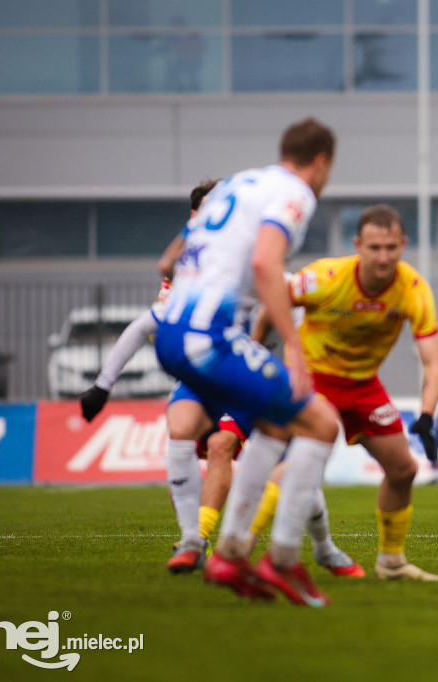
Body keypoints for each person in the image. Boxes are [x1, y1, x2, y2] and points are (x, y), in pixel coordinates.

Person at [155, 116, 341, 607]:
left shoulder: (238, 183)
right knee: (322, 423)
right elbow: (264, 264)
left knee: (276, 425)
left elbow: (167, 260)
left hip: (171, 332)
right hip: (207, 337)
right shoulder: (296, 193)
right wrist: (292, 345)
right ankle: (281, 559)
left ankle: (230, 553)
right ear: (321, 162)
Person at [78, 180, 248, 572]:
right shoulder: (185, 272)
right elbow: (145, 325)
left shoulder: (247, 254)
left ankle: (318, 546)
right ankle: (193, 539)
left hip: (240, 376)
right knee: (180, 434)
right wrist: (102, 386)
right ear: (194, 215)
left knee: (231, 446)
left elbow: (286, 298)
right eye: (207, 208)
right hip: (198, 377)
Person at [271, 203, 438, 581]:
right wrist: (278, 355)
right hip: (315, 379)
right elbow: (275, 301)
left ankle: (391, 562)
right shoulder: (325, 277)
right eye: (374, 248)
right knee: (300, 467)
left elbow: (432, 363)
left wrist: (427, 414)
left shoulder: (413, 289)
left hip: (364, 384)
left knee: (404, 469)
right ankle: (239, 549)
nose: (383, 257)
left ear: (403, 245)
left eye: (391, 248)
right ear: (358, 246)